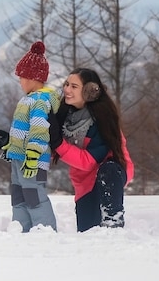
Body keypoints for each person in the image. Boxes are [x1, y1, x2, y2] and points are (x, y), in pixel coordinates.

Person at [0, 41, 61, 232]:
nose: (20, 81)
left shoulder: (40, 101)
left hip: (32, 161)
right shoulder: (28, 99)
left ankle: (44, 230)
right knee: (18, 195)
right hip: (19, 158)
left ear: (31, 77)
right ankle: (21, 229)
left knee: (33, 193)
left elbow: (38, 129)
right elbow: (25, 131)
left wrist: (33, 157)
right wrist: (10, 144)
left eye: (21, 77)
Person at [48, 68, 134, 232]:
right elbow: (43, 142)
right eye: (66, 84)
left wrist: (58, 143)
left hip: (111, 174)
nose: (66, 89)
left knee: (108, 169)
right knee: (87, 232)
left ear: (89, 91)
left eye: (74, 86)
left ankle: (113, 222)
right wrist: (11, 143)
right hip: (84, 181)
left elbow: (89, 161)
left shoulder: (102, 120)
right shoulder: (65, 114)